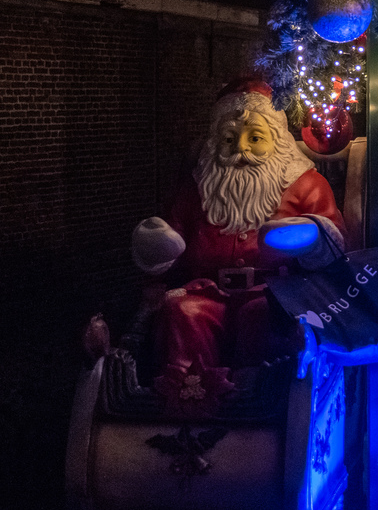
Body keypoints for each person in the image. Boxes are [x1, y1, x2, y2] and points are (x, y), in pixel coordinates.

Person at [124, 78, 345, 378]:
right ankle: (186, 396)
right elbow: (172, 235)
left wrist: (310, 236)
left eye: (254, 138)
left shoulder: (305, 184)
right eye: (230, 139)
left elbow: (336, 240)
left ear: (277, 140)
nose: (240, 148)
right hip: (208, 292)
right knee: (182, 313)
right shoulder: (199, 186)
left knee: (261, 318)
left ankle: (259, 398)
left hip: (275, 294)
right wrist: (159, 245)